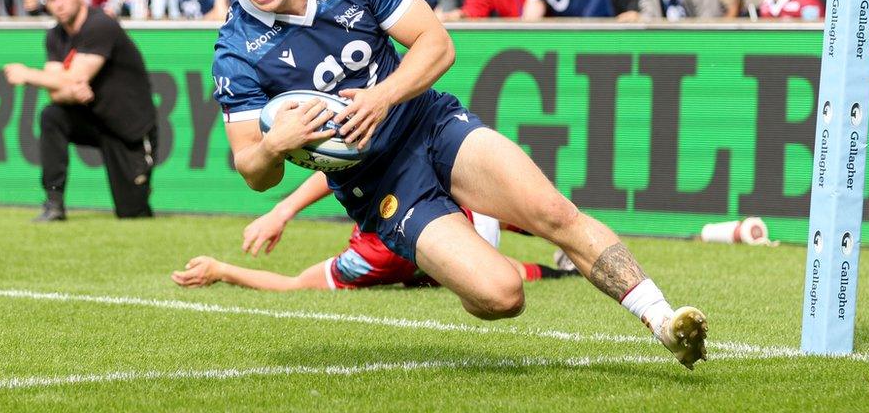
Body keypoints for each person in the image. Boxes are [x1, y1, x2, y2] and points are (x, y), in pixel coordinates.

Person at [208, 0, 708, 368]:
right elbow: (253, 169)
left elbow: (437, 44)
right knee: (502, 296)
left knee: (551, 210)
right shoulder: (236, 49)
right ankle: (459, 260)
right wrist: (276, 143)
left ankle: (664, 320)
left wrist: (382, 97)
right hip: (378, 185)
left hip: (430, 124)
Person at [172, 172, 580, 290]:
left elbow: (294, 284)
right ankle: (565, 257)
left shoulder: (369, 257)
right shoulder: (388, 186)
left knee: (483, 264)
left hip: (460, 243)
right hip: (465, 224)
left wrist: (223, 270)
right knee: (488, 204)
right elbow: (332, 171)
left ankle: (561, 265)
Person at [3, 0, 157, 222]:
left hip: (129, 129)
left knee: (133, 213)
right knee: (52, 115)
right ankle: (54, 202)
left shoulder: (100, 25)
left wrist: (28, 75)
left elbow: (71, 78)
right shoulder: (55, 36)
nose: (59, 5)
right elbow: (57, 92)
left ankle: (138, 191)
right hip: (94, 119)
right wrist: (71, 89)